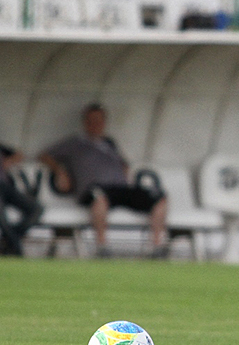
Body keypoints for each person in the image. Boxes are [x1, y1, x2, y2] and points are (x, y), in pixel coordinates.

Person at [38, 103, 168, 258]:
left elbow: (124, 164)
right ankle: (102, 247)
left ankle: (157, 247)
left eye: (99, 121)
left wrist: (124, 172)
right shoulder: (74, 143)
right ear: (85, 122)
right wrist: (61, 171)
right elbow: (44, 155)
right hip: (94, 189)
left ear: (104, 122)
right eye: (91, 121)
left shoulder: (109, 143)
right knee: (100, 197)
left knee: (159, 198)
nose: (95, 124)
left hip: (120, 189)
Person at [0, 143, 43, 256]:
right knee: (2, 217)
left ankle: (11, 238)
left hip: (5, 187)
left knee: (36, 209)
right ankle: (16, 249)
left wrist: (8, 161)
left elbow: (19, 155)